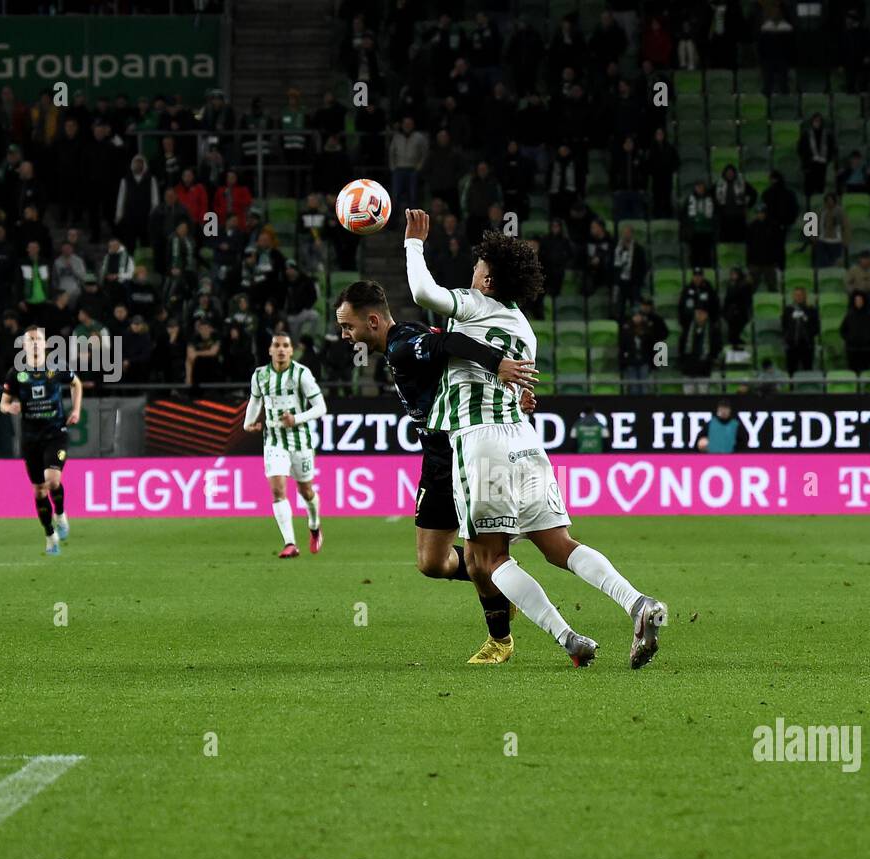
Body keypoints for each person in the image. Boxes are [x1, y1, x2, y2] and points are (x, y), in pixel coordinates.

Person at [401, 208, 666, 669]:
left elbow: (423, 291)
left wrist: (412, 242)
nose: (474, 269)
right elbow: (518, 387)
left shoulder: (474, 303)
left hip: (480, 441)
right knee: (560, 545)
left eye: (480, 266)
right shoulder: (523, 326)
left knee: (485, 559)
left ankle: (569, 638)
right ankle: (638, 603)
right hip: (525, 441)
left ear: (487, 282)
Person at [333, 279, 537, 664]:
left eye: (348, 326)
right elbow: (453, 361)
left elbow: (453, 345)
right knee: (432, 562)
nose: (345, 335)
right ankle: (504, 582)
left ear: (373, 320)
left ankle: (500, 641)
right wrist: (505, 391)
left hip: (465, 451)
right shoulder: (404, 341)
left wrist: (500, 368)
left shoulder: (402, 345)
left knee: (481, 558)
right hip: (437, 459)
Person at [243, 331, 326, 558]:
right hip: (273, 439)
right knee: (278, 490)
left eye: (285, 346)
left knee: (305, 491)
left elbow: (321, 407)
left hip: (301, 439)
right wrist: (247, 423)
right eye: (276, 345)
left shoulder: (302, 374)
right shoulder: (260, 376)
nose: (281, 349)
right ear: (270, 350)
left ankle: (315, 524)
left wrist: (296, 419)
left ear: (291, 350)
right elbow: (255, 400)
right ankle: (290, 543)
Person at [0, 325, 81, 555]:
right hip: (31, 439)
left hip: (55, 433)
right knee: (39, 491)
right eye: (30, 340)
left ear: (45, 344)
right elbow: (2, 403)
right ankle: (49, 535)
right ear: (24, 345)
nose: (35, 343)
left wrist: (76, 410)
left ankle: (61, 513)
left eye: (38, 339)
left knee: (52, 480)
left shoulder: (56, 367)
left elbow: (76, 383)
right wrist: (10, 407)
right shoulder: (16, 373)